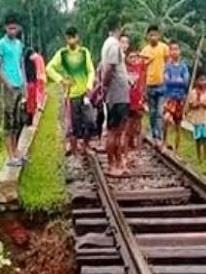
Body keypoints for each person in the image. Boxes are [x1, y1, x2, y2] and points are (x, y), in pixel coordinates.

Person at [47, 27, 97, 156]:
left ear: (77, 37)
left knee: (90, 121)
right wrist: (61, 80)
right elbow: (49, 68)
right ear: (66, 39)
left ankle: (85, 145)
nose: (71, 40)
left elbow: (91, 70)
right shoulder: (62, 54)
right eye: (68, 38)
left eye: (73, 37)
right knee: (74, 126)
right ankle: (75, 152)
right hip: (71, 95)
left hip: (85, 94)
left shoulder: (84, 52)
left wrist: (89, 85)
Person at [0, 15, 27, 165]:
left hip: (19, 85)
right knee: (8, 122)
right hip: (9, 88)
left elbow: (21, 65)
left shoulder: (19, 44)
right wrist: (7, 85)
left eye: (15, 28)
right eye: (10, 28)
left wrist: (24, 85)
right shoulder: (1, 44)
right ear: (5, 28)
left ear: (18, 28)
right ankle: (10, 157)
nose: (12, 31)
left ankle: (16, 151)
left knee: (18, 122)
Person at [100, 17, 130, 176]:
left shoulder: (108, 44)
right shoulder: (113, 45)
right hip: (117, 94)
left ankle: (118, 162)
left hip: (118, 94)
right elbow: (110, 69)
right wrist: (104, 86)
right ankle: (112, 164)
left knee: (118, 131)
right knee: (115, 131)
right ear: (118, 28)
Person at [140, 25, 169, 146]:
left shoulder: (164, 48)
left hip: (161, 84)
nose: (153, 37)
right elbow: (141, 68)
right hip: (149, 85)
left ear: (159, 35)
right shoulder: (145, 50)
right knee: (152, 111)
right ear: (147, 37)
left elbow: (167, 62)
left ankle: (159, 136)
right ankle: (153, 132)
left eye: (155, 35)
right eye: (151, 35)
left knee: (160, 112)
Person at [123, 35, 147, 156]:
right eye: (130, 57)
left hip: (138, 102)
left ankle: (138, 153)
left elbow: (149, 58)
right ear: (126, 58)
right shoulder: (123, 69)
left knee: (138, 129)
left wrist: (140, 56)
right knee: (127, 130)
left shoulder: (140, 67)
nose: (133, 59)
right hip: (127, 102)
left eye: (135, 57)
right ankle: (126, 153)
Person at [162, 42, 189, 151]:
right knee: (166, 120)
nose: (174, 52)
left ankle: (177, 149)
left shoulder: (184, 66)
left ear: (179, 51)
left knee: (178, 124)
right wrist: (178, 81)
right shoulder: (167, 66)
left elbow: (186, 82)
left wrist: (175, 81)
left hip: (180, 98)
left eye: (176, 49)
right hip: (169, 98)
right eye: (172, 49)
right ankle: (164, 142)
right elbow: (166, 81)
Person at [187, 72, 206, 162]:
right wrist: (197, 103)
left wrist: (203, 104)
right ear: (196, 81)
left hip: (205, 119)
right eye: (200, 80)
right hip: (196, 120)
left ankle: (205, 156)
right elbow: (191, 106)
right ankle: (198, 156)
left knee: (205, 138)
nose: (202, 82)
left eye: (204, 80)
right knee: (198, 138)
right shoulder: (193, 93)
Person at [23, 47, 47, 126]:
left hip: (32, 83)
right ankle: (30, 118)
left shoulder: (29, 62)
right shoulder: (31, 62)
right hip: (33, 83)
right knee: (32, 102)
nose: (34, 56)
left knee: (31, 102)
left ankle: (30, 120)